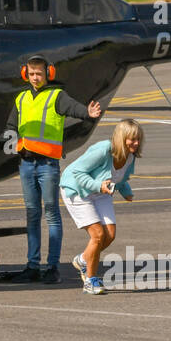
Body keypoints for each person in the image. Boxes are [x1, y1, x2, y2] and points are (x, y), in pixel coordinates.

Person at [0, 55, 102, 283]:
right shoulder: (22, 99)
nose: (35, 78)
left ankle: (52, 267)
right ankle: (32, 266)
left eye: (39, 74)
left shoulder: (56, 96)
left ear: (48, 74)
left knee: (52, 214)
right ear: (26, 74)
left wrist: (88, 113)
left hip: (47, 166)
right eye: (31, 74)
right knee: (32, 215)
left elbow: (74, 109)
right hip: (26, 165)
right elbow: (10, 132)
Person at [60, 119, 144, 296]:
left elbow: (120, 177)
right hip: (77, 189)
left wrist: (126, 191)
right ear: (122, 138)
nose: (136, 143)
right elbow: (78, 172)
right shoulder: (104, 149)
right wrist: (98, 186)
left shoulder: (130, 155)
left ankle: (83, 260)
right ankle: (90, 280)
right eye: (132, 139)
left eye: (138, 139)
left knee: (110, 235)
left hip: (101, 192)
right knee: (98, 235)